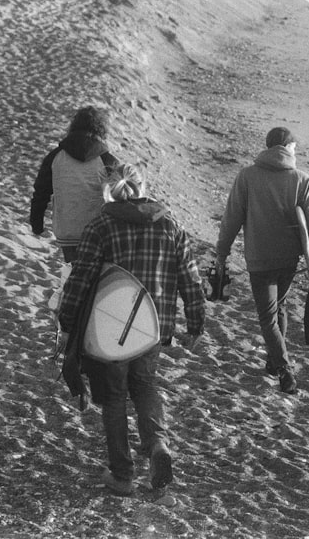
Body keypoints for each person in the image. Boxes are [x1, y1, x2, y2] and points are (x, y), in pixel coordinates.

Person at [56, 164, 206, 497]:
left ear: (108, 191)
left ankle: (123, 474)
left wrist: (66, 321)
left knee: (113, 397)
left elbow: (80, 280)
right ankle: (157, 445)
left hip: (109, 327)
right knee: (145, 384)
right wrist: (195, 323)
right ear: (142, 187)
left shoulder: (100, 227)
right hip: (152, 327)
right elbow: (191, 281)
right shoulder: (171, 227)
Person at [215, 126, 309, 394]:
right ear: (288, 148)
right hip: (288, 258)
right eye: (295, 149)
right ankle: (276, 361)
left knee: (268, 316)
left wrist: (222, 251)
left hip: (260, 259)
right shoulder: (301, 179)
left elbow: (232, 217)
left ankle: (284, 369)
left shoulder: (247, 176)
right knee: (279, 309)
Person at [30, 106, 118, 263]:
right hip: (98, 231)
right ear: (101, 130)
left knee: (73, 270)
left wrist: (37, 224)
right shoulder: (107, 160)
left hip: (67, 230)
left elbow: (41, 193)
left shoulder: (55, 157)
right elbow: (120, 196)